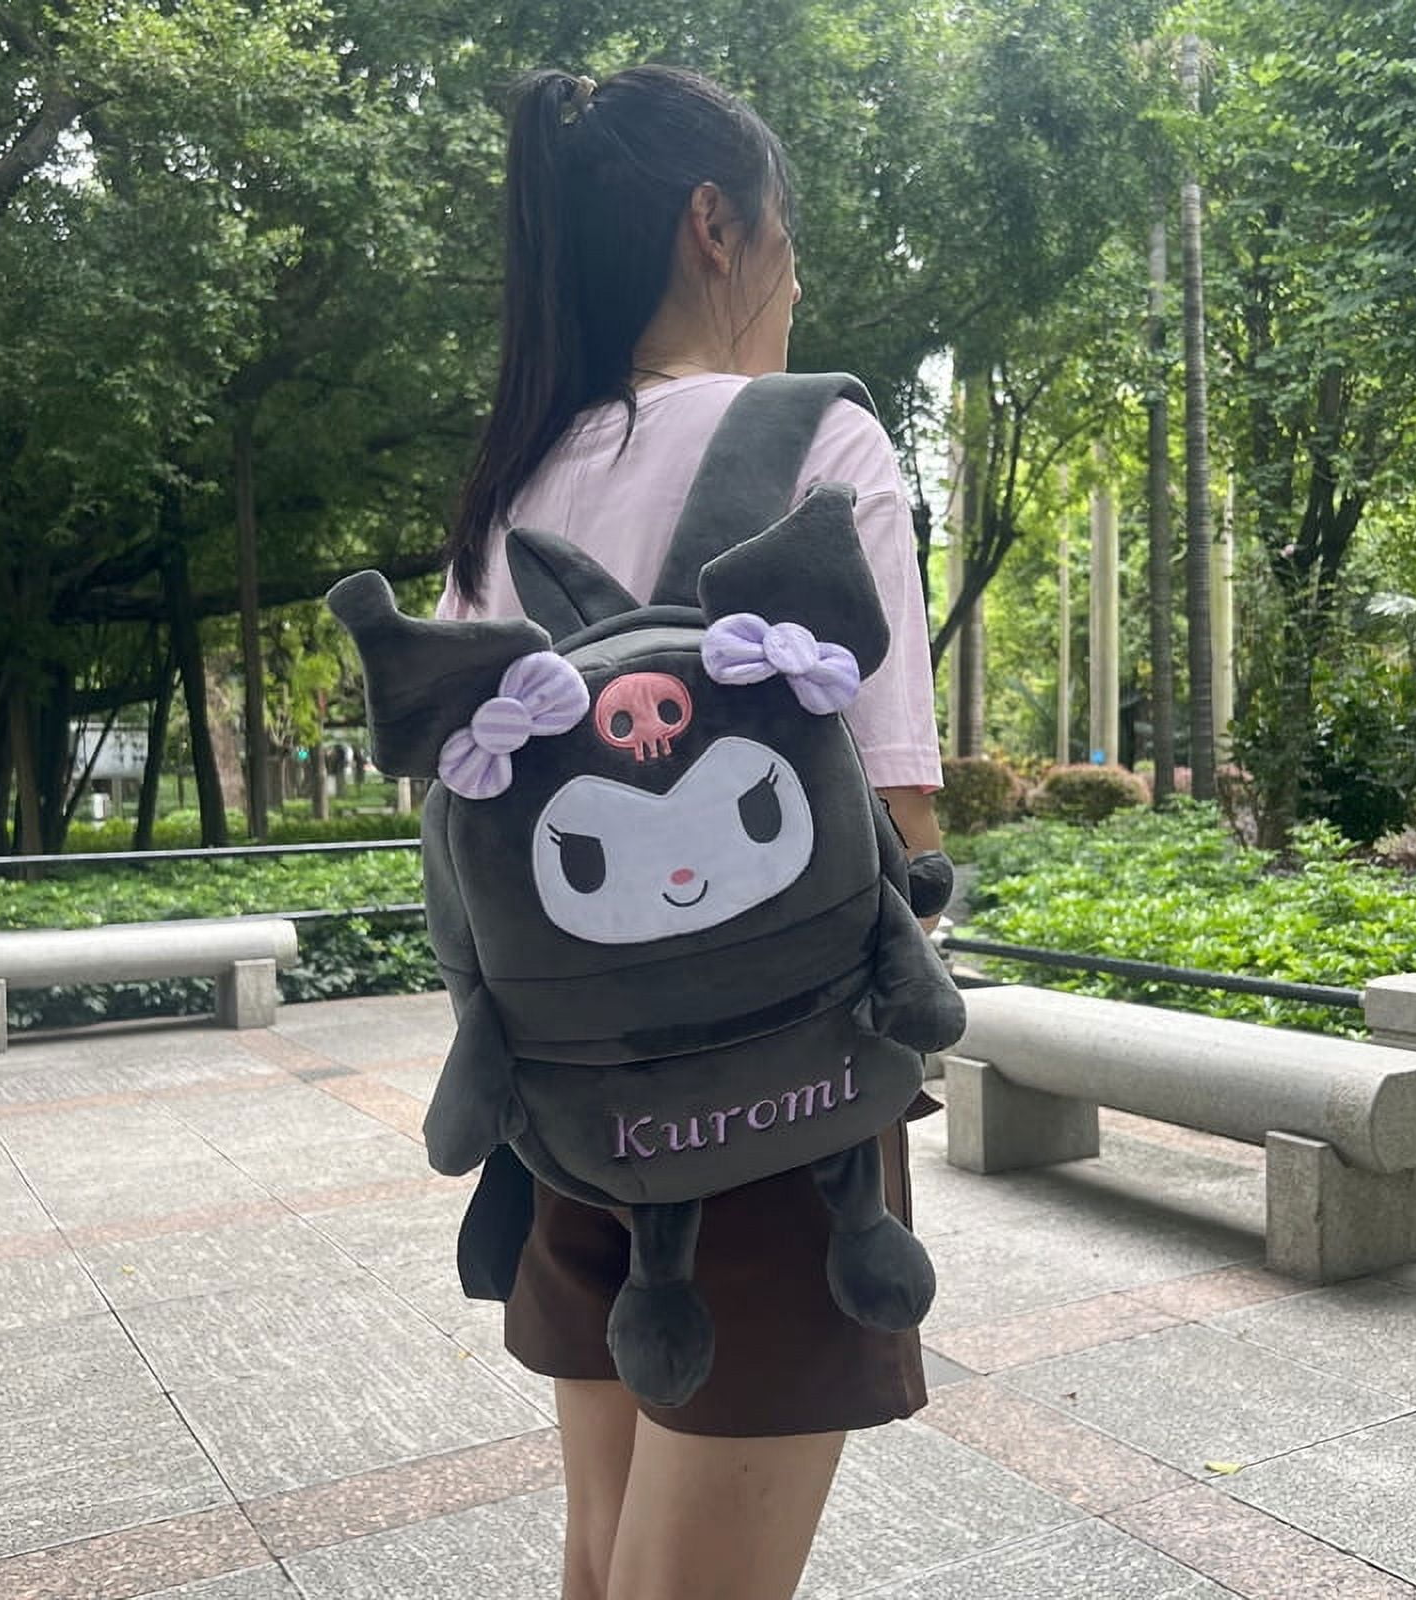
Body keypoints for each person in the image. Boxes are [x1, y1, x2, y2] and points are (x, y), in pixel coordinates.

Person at [436, 64, 945, 1600]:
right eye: (789, 241)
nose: (796, 283)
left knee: (605, 1556)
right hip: (781, 1118)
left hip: (573, 1121)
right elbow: (897, 823)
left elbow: (466, 836)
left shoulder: (508, 492)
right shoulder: (820, 444)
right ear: (714, 227)